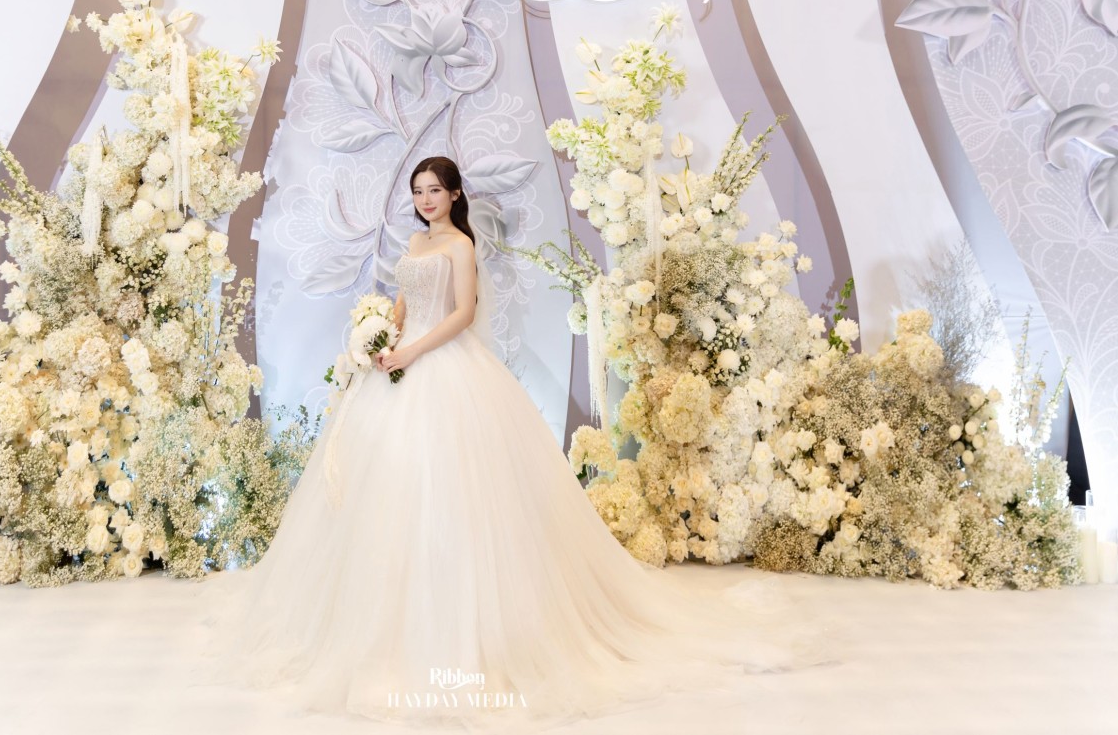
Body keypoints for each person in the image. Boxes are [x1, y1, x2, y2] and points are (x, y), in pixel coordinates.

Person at [196, 157, 822, 730]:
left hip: (444, 365)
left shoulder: (461, 246)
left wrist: (412, 351)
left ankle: (468, 634)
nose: (425, 201)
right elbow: (404, 300)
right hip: (400, 363)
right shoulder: (414, 243)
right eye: (418, 192)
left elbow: (462, 314)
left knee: (457, 488)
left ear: (455, 194)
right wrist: (380, 336)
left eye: (434, 191)